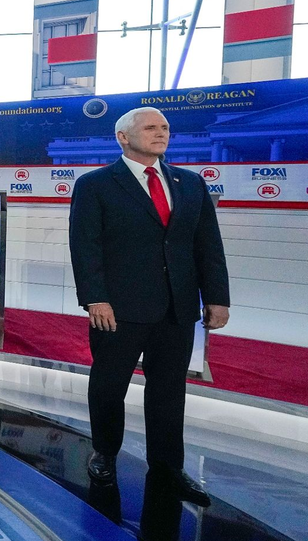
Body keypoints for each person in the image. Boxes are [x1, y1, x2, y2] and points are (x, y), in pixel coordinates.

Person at [69, 107, 230, 509]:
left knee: (169, 392)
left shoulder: (190, 183)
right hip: (117, 309)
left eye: (165, 128)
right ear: (123, 137)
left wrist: (217, 297)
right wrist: (95, 297)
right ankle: (104, 454)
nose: (161, 133)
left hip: (177, 308)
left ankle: (167, 467)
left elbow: (208, 245)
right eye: (151, 128)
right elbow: (84, 246)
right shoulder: (96, 185)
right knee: (108, 387)